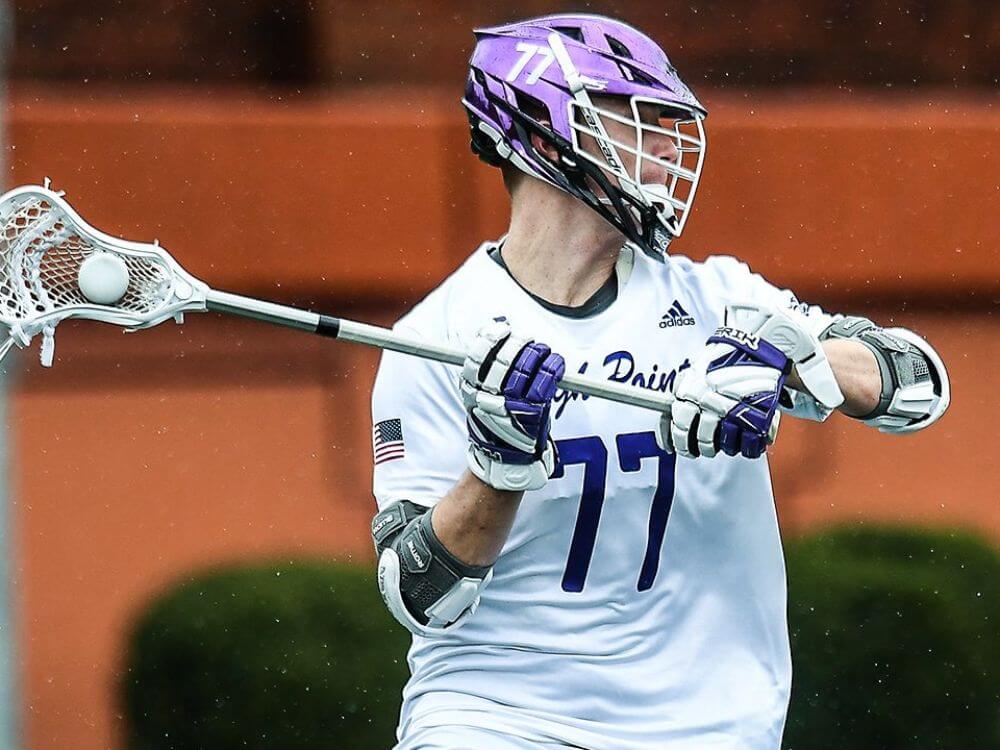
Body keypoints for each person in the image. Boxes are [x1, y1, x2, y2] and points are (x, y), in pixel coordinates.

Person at [369, 13, 950, 750]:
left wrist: (788, 357)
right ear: (542, 138)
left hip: (707, 726)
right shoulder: (436, 339)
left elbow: (920, 387)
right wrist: (499, 466)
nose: (665, 150)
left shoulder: (720, 300)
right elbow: (421, 595)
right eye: (633, 123)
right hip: (497, 718)